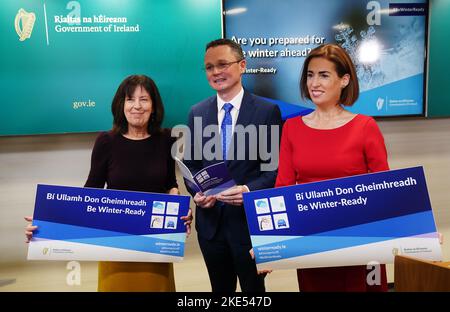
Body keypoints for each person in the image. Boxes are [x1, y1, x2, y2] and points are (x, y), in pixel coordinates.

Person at [25, 74, 192, 292]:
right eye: (130, 99)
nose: (137, 106)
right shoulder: (106, 141)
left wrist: (179, 209)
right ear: (121, 105)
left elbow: (170, 184)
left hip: (155, 245)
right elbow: (89, 195)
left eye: (144, 99)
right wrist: (46, 226)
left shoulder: (166, 139)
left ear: (154, 105)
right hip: (115, 246)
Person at [275, 43, 390, 292]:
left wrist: (418, 235)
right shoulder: (292, 128)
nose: (314, 83)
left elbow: (386, 191)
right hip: (313, 246)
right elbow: (282, 189)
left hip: (362, 245)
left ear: (344, 80)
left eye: (324, 75)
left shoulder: (365, 126)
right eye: (310, 75)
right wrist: (270, 245)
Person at [183, 38, 283, 292]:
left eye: (222, 64)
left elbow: (275, 170)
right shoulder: (197, 112)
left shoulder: (266, 111)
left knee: (254, 293)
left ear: (242, 66)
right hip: (211, 227)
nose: (216, 72)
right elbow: (190, 166)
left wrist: (248, 191)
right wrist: (197, 193)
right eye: (209, 67)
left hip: (249, 226)